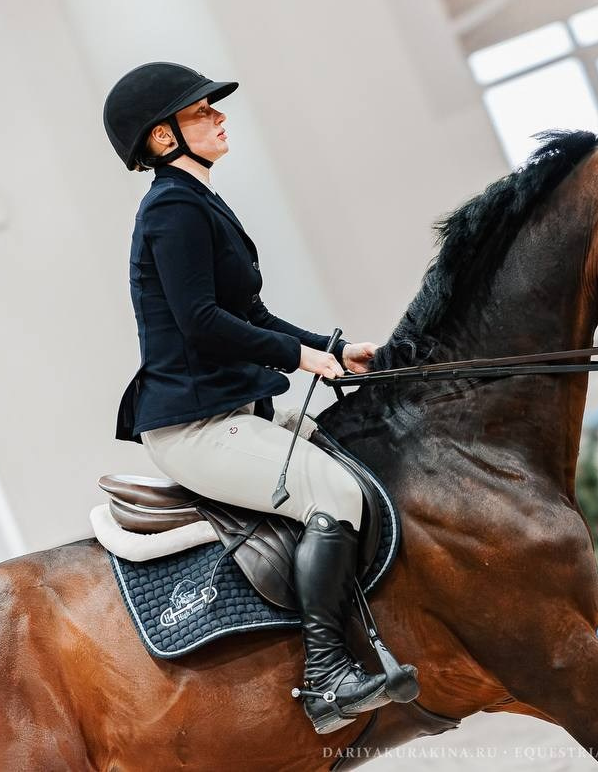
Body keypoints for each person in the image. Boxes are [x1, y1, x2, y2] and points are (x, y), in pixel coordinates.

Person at [103, 62, 392, 734]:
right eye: (202, 112)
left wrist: (333, 347)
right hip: (197, 428)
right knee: (335, 495)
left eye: (213, 110)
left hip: (235, 410)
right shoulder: (173, 209)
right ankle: (325, 675)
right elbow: (202, 319)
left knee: (357, 450)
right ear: (161, 139)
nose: (219, 118)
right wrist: (300, 358)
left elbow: (250, 312)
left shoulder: (197, 200)